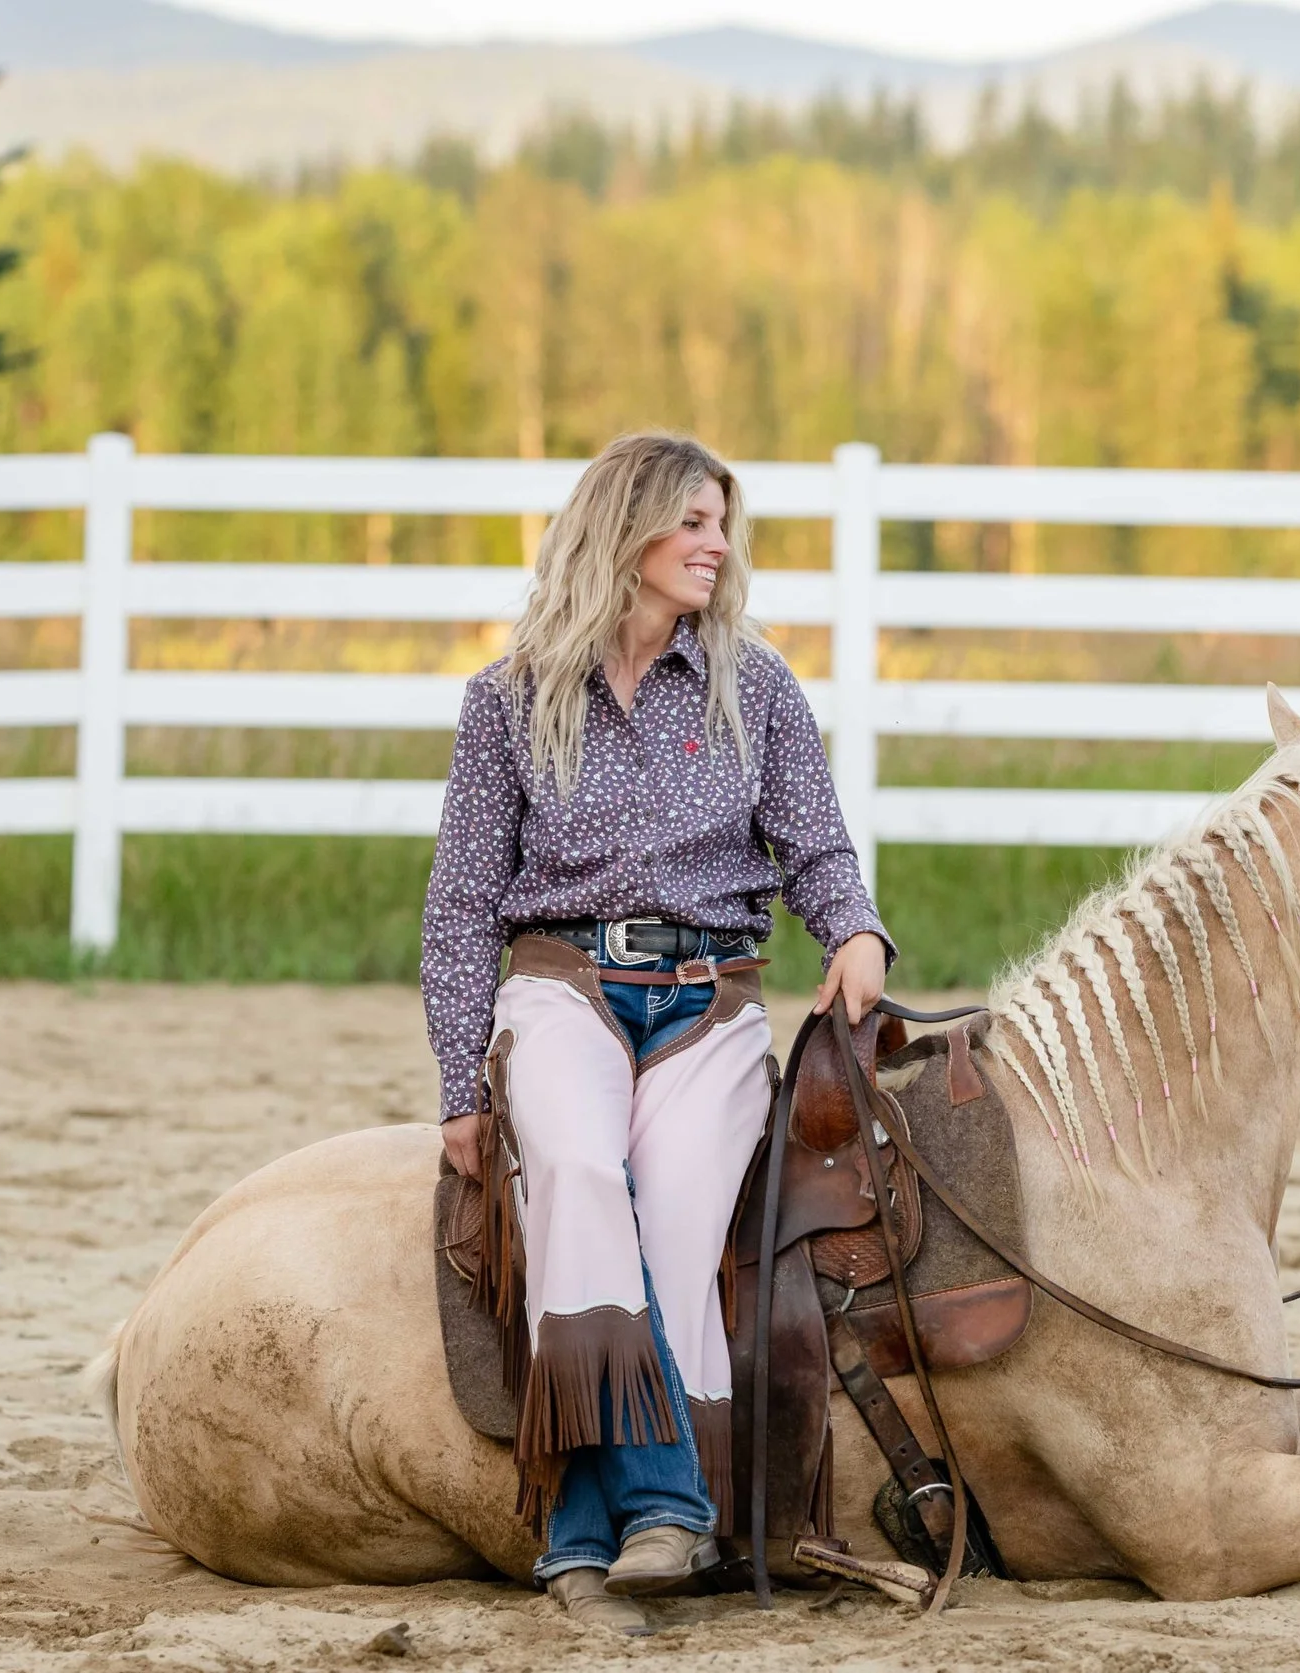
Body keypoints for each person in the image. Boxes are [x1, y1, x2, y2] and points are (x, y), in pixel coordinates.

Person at [421, 431, 890, 1635]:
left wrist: (855, 932)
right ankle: (670, 1502)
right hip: (562, 982)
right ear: (624, 528)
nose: (715, 545)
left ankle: (579, 1534)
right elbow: (465, 900)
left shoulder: (757, 685)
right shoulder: (510, 698)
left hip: (711, 996)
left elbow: (817, 847)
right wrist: (458, 1086)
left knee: (678, 1227)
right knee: (578, 1171)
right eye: (692, 521)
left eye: (722, 525)